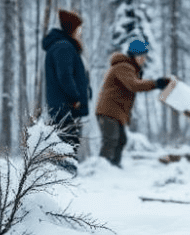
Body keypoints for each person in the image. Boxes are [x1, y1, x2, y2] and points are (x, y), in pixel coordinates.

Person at [96, 40, 170, 167]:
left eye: (145, 56)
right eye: (142, 56)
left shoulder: (129, 68)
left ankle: (113, 166)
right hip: (109, 111)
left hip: (115, 111)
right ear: (134, 56)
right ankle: (101, 168)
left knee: (120, 140)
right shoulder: (123, 67)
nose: (144, 59)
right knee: (111, 140)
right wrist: (156, 83)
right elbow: (134, 85)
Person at [42, 9, 92, 174]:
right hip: (66, 106)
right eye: (78, 28)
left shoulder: (63, 46)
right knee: (67, 141)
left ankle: (65, 174)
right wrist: (75, 97)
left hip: (64, 105)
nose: (80, 32)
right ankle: (65, 176)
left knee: (67, 140)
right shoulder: (63, 47)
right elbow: (65, 76)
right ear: (71, 28)